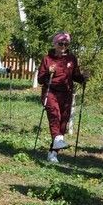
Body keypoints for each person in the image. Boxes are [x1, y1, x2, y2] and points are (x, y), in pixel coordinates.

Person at [38, 32, 85, 164]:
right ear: (55, 44)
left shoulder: (71, 59)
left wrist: (83, 78)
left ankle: (53, 153)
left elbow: (75, 76)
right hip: (51, 92)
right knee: (55, 115)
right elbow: (40, 79)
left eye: (66, 44)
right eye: (60, 43)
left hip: (67, 94)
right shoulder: (47, 59)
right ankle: (58, 141)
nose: (63, 46)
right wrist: (48, 72)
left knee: (63, 122)